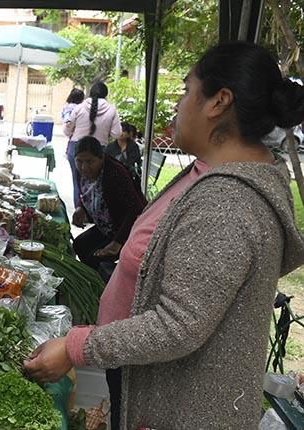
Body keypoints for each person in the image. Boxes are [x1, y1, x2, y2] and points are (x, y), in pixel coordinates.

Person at [24, 42, 304, 429]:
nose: (177, 104)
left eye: (187, 90)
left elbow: (177, 325)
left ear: (219, 101)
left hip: (180, 406)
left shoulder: (227, 201)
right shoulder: (209, 175)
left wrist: (76, 347)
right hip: (146, 376)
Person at [72, 135, 144, 274]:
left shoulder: (115, 173)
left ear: (101, 158)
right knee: (79, 244)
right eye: (79, 161)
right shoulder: (80, 170)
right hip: (106, 227)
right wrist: (81, 207)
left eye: (90, 161)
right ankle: (93, 282)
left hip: (126, 229)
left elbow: (135, 209)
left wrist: (117, 243)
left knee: (95, 257)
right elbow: (85, 192)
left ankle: (100, 287)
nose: (84, 167)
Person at [63, 82, 121, 207]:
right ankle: (94, 212)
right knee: (98, 185)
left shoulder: (79, 108)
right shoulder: (111, 110)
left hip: (76, 149)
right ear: (106, 94)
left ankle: (79, 210)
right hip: (98, 151)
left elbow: (67, 130)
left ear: (90, 93)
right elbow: (117, 133)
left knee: (77, 181)